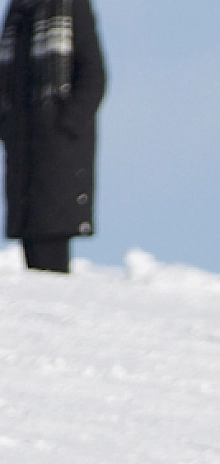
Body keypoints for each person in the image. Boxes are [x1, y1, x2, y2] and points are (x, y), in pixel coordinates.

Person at [0, 0, 105, 273]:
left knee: (51, 241)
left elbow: (93, 75)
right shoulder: (18, 12)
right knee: (30, 238)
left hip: (59, 152)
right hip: (23, 151)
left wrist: (65, 123)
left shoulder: (71, 7)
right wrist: (7, 127)